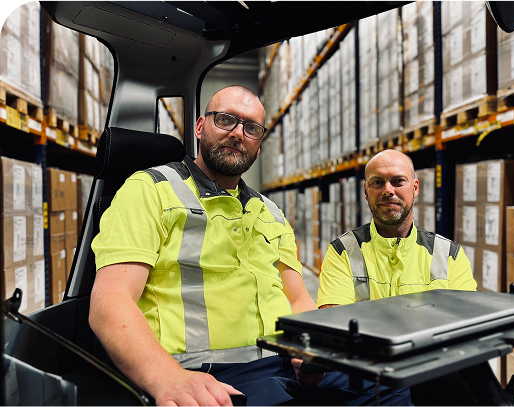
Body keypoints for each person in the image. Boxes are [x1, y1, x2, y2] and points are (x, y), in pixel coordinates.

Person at [90, 86, 401, 406]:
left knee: (393, 384)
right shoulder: (151, 190)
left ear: (259, 145)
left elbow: (297, 298)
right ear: (200, 127)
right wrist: (167, 378)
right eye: (225, 120)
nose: (238, 133)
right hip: (206, 373)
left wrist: (313, 349)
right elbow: (110, 302)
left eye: (251, 128)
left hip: (283, 365)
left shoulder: (270, 211)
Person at [317, 149, 476, 308]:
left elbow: (467, 316)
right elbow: (334, 319)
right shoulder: (342, 252)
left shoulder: (450, 255)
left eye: (398, 181)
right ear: (366, 191)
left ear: (415, 188)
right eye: (377, 182)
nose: (388, 190)